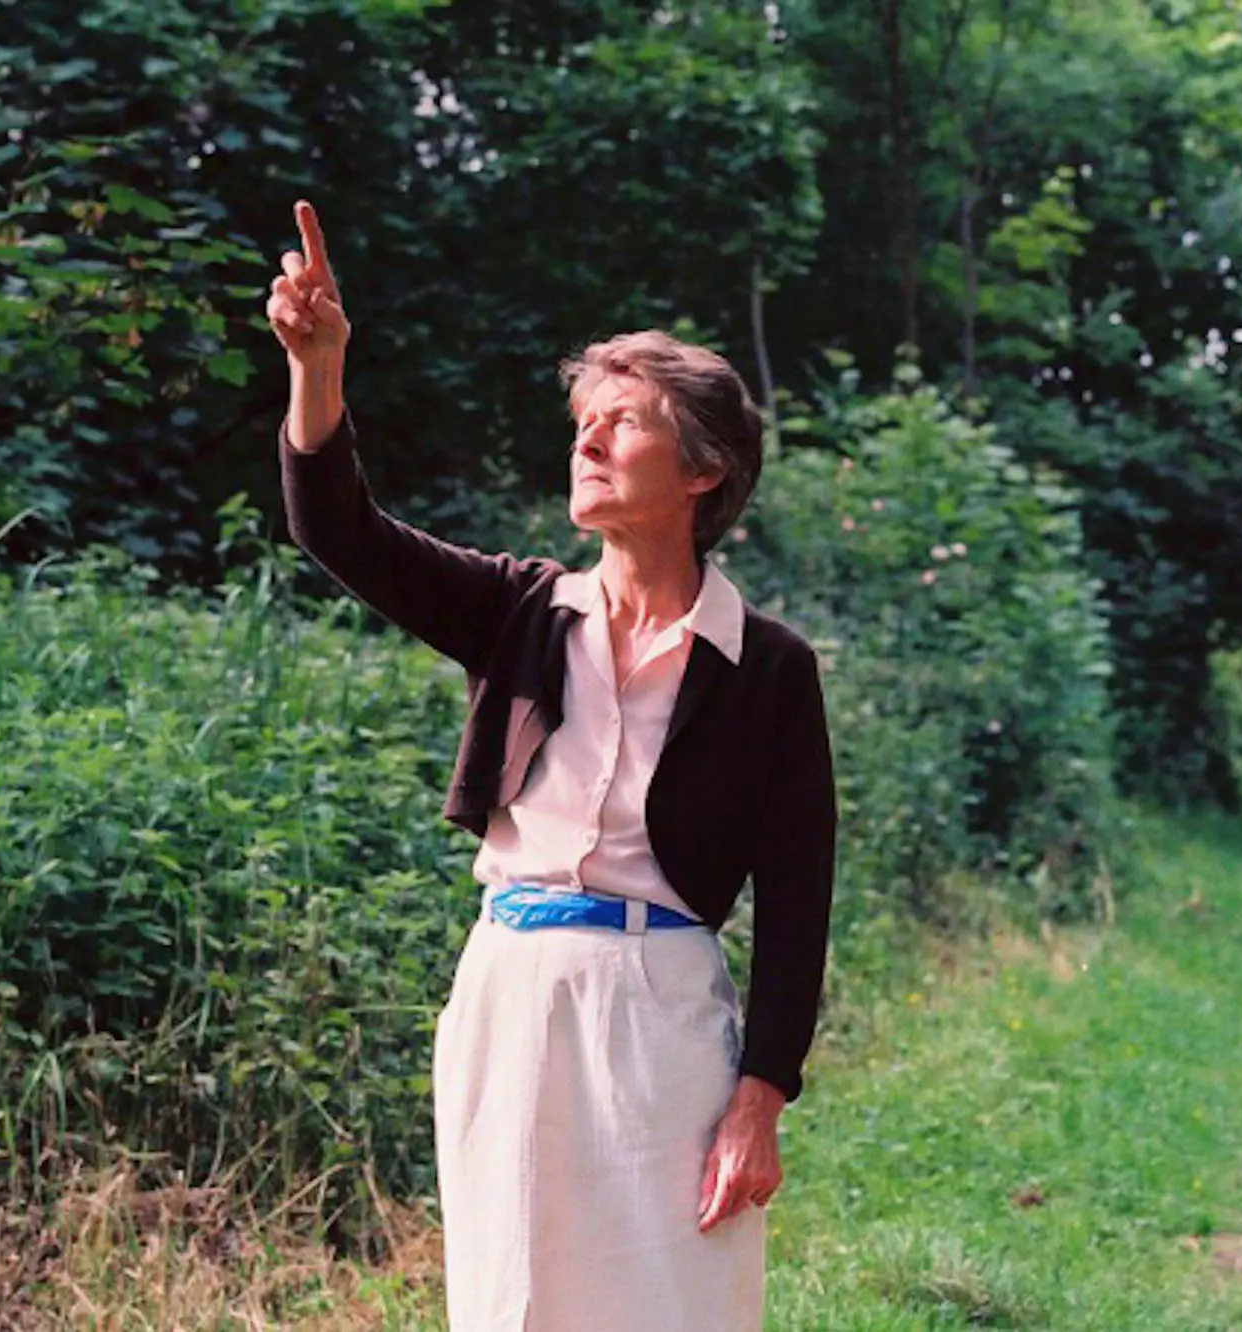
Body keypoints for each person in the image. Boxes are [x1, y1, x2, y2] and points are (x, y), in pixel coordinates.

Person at [265, 199, 837, 1332]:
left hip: (662, 1013)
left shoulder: (766, 666)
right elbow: (340, 531)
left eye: (621, 421)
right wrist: (319, 371)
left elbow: (798, 891)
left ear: (704, 471)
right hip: (508, 996)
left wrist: (761, 1096)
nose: (585, 441)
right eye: (582, 420)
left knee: (674, 1303)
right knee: (512, 1301)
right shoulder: (518, 611)